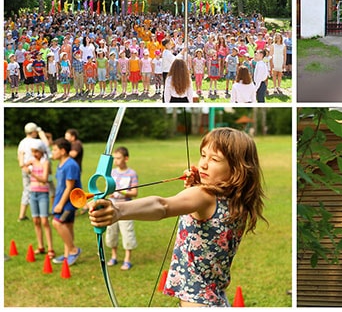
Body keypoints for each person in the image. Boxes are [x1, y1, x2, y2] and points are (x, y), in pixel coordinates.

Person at [88, 128, 266, 307]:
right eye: (203, 155)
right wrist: (195, 187)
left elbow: (163, 206)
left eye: (215, 159)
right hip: (216, 299)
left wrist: (119, 210)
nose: (204, 164)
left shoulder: (204, 195)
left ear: (237, 169)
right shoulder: (238, 201)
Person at [106, 147, 138, 271]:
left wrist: (122, 192)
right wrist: (110, 193)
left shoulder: (131, 173)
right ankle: (114, 256)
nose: (116, 161)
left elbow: (135, 192)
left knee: (127, 233)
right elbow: (108, 189)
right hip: (112, 206)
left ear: (126, 158)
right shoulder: (112, 173)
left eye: (118, 158)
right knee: (112, 233)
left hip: (126, 208)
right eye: (114, 158)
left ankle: (127, 259)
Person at [51, 138, 82, 266]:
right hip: (62, 199)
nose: (52, 152)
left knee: (57, 223)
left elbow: (69, 188)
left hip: (69, 202)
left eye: (54, 150)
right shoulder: (61, 164)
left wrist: (60, 204)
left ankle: (73, 250)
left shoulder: (70, 165)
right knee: (68, 227)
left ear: (63, 151)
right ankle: (66, 256)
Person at [27, 143, 55, 259]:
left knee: (44, 221)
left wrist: (31, 173)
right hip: (32, 193)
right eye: (33, 152)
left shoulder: (46, 163)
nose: (34, 154)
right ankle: (40, 246)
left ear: (42, 151)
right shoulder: (32, 161)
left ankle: (50, 248)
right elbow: (21, 165)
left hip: (43, 193)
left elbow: (44, 180)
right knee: (36, 221)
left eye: (36, 152)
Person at [17, 122, 48, 221]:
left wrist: (23, 167)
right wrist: (41, 132)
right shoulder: (36, 142)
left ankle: (22, 214)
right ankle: (40, 212)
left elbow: (20, 156)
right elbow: (46, 144)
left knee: (26, 190)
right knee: (38, 191)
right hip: (36, 169)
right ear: (34, 132)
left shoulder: (22, 142)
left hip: (25, 169)